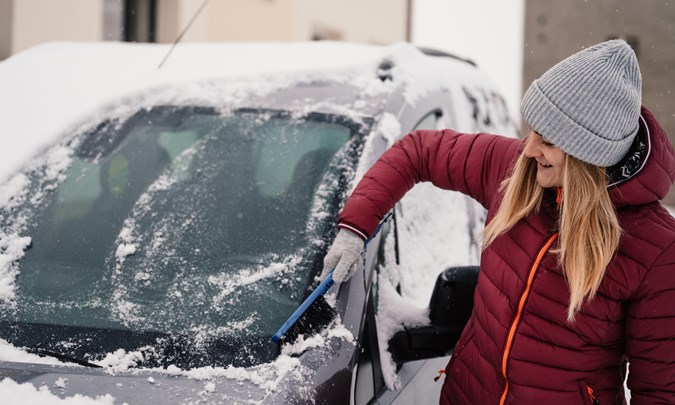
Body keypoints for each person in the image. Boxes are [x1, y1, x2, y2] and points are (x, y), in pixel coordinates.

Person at [320, 39, 675, 404]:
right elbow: (418, 151)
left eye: (549, 142)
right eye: (534, 130)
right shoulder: (515, 169)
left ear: (588, 156)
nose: (531, 148)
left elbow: (660, 392)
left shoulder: (655, 250)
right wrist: (355, 226)